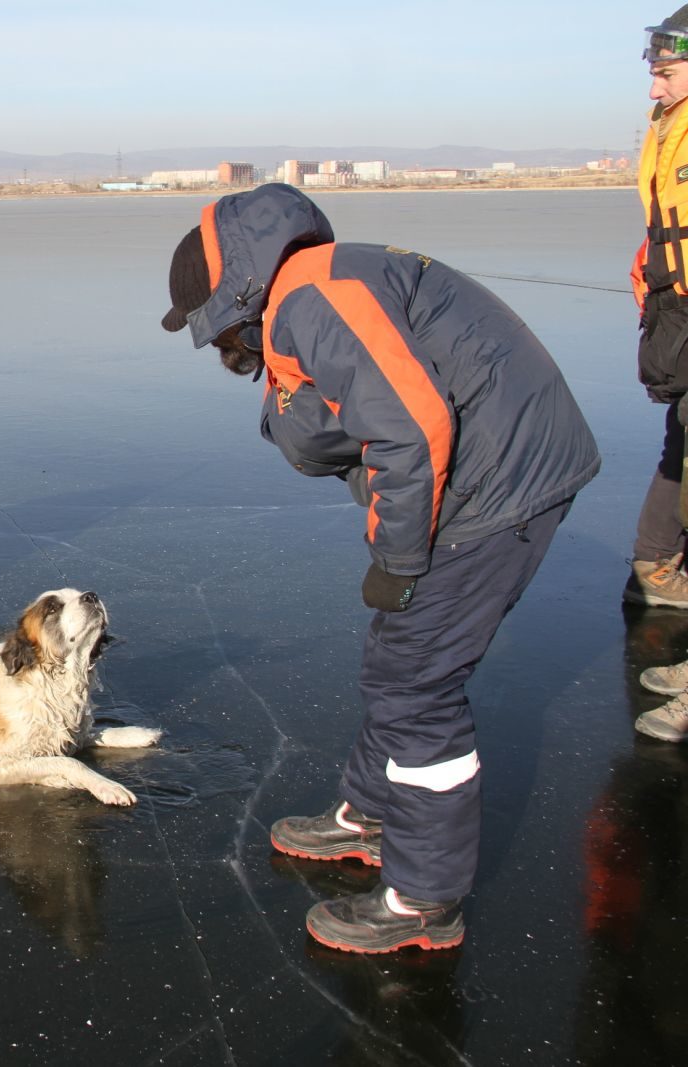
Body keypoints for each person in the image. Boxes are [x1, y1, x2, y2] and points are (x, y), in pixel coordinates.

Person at [161, 183, 599, 953]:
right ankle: (370, 812)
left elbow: (410, 425)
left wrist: (400, 560)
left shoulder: (312, 299)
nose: (225, 346)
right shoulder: (315, 284)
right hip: (499, 464)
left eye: (220, 329)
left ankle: (425, 897)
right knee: (397, 656)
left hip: (496, 487)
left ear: (237, 295)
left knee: (416, 685)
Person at [628, 5, 688, 610]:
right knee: (681, 431)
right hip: (674, 306)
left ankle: (657, 566)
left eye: (668, 72)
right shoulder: (666, 127)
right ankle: (655, 567)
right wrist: (651, 262)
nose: (655, 85)